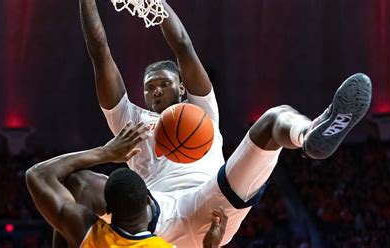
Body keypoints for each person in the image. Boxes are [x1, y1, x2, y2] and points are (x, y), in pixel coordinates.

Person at [76, 0, 373, 247]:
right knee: (78, 183)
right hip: (156, 214)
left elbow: (182, 45)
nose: (155, 90)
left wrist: (154, 3)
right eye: (149, 86)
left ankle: (309, 134)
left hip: (213, 201)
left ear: (181, 88)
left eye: (163, 83)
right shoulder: (132, 121)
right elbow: (100, 54)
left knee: (272, 119)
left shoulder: (200, 108)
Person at [26, 122, 228, 248]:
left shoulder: (85, 233)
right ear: (149, 201)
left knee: (76, 182)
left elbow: (37, 174)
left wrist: (106, 153)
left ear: (107, 210)